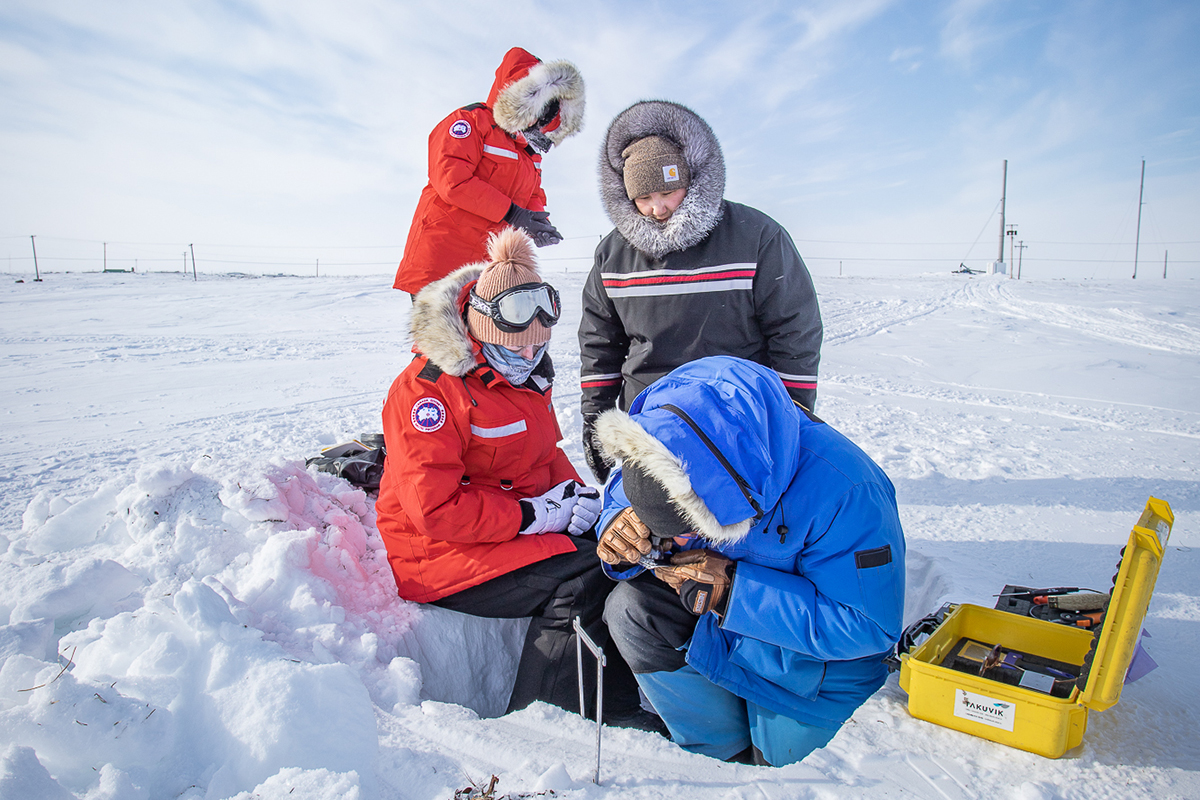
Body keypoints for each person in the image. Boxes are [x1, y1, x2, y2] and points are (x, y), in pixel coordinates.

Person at [375, 227, 653, 725]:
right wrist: (533, 515)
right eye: (518, 348)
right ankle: (550, 717)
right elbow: (434, 510)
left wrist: (576, 495)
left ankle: (614, 691)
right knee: (585, 576)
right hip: (434, 553)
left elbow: (542, 453)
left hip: (494, 533)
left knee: (613, 550)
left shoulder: (521, 375)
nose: (530, 358)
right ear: (480, 332)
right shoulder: (427, 393)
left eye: (538, 347)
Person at [591, 355, 905, 766]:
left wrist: (734, 591)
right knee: (631, 610)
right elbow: (624, 483)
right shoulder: (664, 437)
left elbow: (867, 627)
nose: (672, 543)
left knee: (788, 774)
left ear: (726, 496)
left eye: (683, 529)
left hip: (808, 672)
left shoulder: (849, 492)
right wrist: (619, 524)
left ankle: (756, 752)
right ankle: (712, 756)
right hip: (720, 637)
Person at [578, 100, 823, 482]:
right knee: (653, 535)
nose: (657, 208)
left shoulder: (756, 236)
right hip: (649, 427)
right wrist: (595, 421)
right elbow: (599, 345)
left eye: (667, 191)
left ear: (690, 180)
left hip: (738, 422)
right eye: (643, 198)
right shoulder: (613, 255)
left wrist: (793, 415)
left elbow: (795, 330)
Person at [392, 47, 585, 296]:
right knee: (442, 336)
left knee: (484, 335)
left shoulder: (529, 151)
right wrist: (514, 214)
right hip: (442, 260)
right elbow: (453, 180)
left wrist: (538, 222)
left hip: (486, 268)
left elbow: (533, 193)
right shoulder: (470, 122)